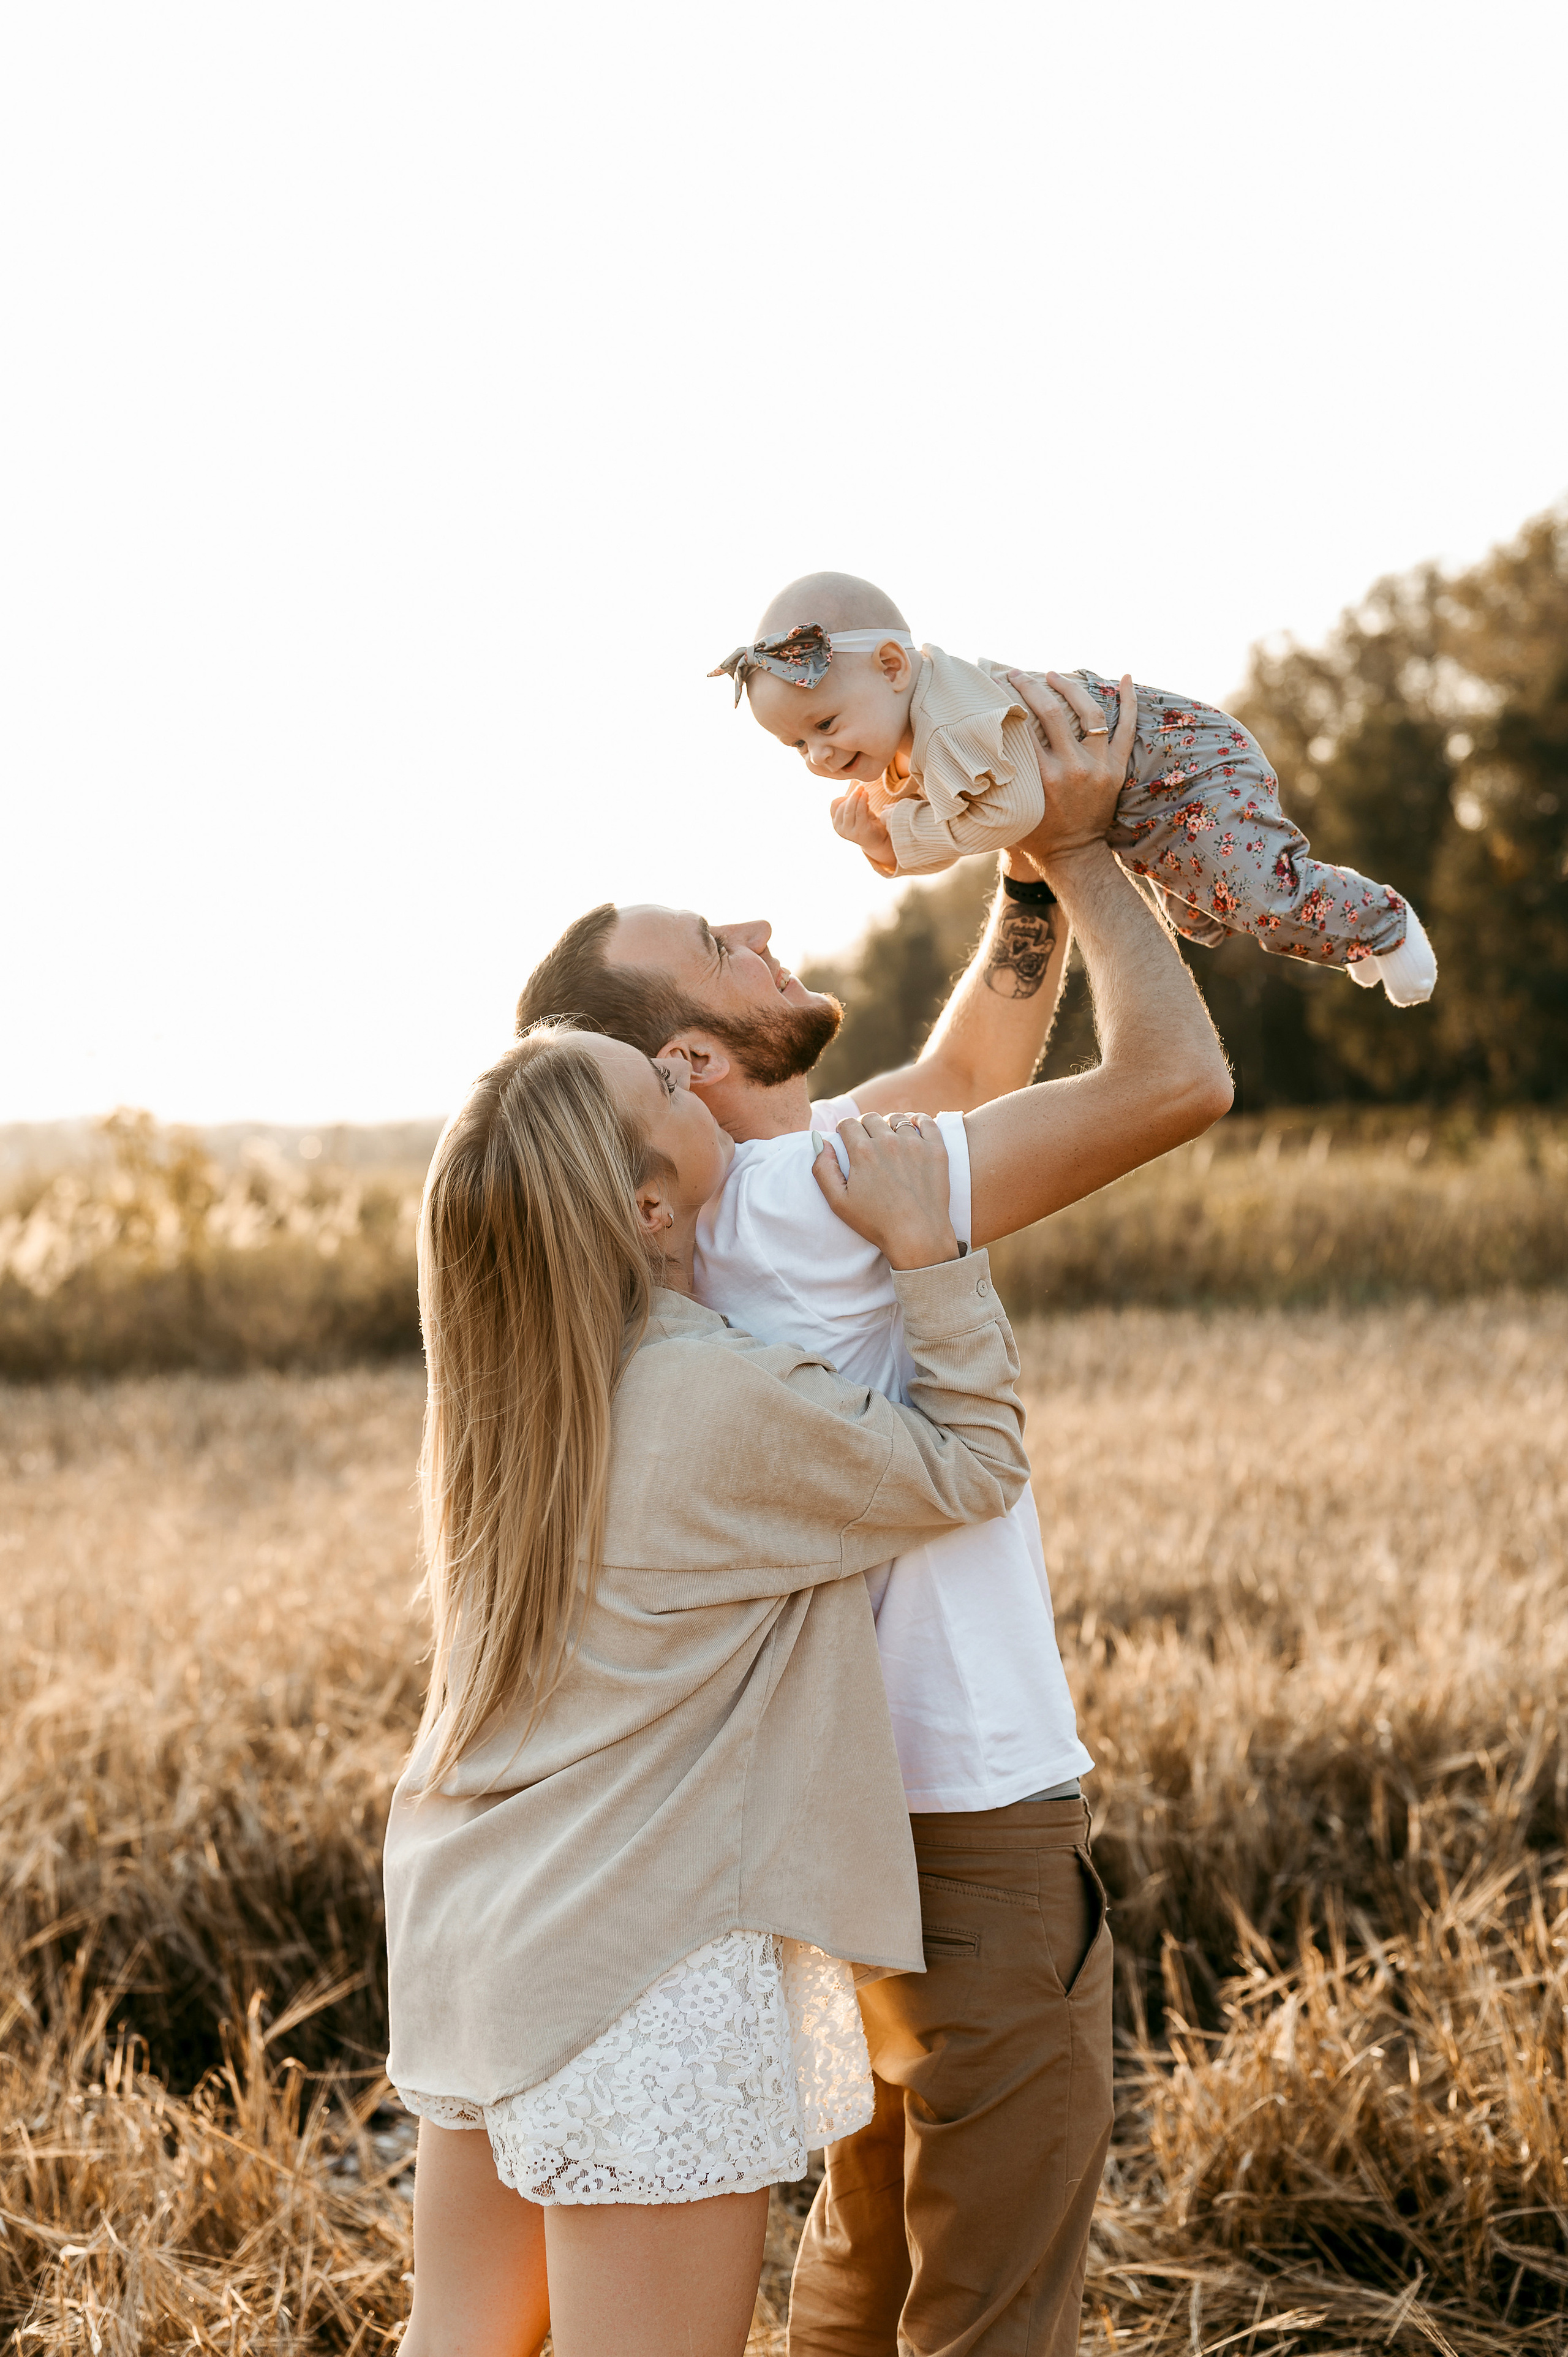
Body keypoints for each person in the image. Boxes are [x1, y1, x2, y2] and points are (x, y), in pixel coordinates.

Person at [513, 671, 1235, 2357]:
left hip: (836, 1815)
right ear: (688, 1055)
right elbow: (1179, 1077)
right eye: (715, 934)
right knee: (991, 2292)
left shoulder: (773, 1191)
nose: (760, 917)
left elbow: (971, 1059)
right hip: (970, 1812)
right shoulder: (826, 1202)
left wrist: (1020, 875)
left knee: (874, 2255)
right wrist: (1081, 834)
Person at [384, 1017, 1039, 2357]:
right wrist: (928, 1250)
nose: (684, 1075)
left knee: (455, 2345)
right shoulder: (699, 1396)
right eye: (659, 1084)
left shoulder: (506, 1411)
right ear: (644, 1202)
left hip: (477, 1949)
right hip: (643, 1976)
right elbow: (971, 1464)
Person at [709, 568, 1437, 1005]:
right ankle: (1349, 942)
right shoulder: (913, 733)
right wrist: (888, 831)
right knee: (1210, 916)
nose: (817, 754)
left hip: (1182, 763)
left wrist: (896, 839)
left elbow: (1017, 809)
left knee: (1261, 892)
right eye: (797, 744)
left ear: (894, 667)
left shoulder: (950, 720)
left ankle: (1381, 922)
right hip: (1145, 804)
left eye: (826, 723)